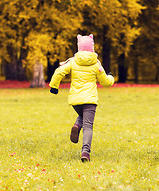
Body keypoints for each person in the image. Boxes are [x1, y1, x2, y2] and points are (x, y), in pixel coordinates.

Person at [49, 34, 115, 162]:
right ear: (92, 48)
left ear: (79, 47)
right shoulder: (96, 63)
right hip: (90, 100)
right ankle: (85, 152)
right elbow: (105, 82)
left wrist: (54, 86)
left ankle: (77, 125)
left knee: (83, 118)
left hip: (75, 100)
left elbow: (59, 71)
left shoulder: (72, 62)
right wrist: (111, 77)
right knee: (88, 125)